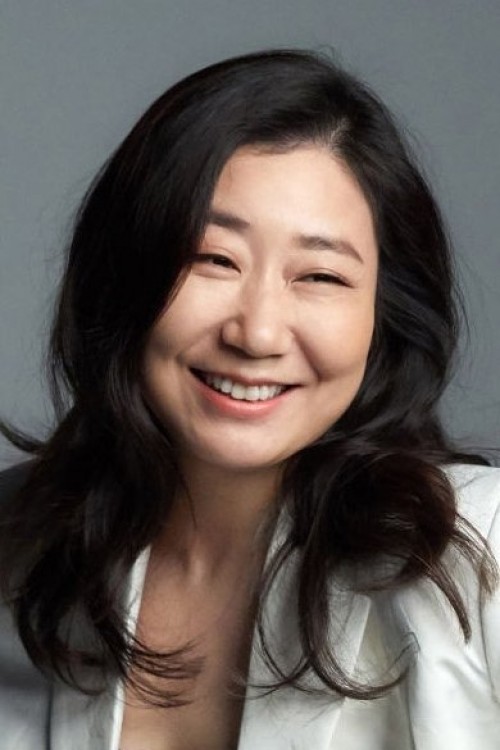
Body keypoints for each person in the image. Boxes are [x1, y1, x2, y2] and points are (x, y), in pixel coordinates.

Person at [0, 48, 499, 750]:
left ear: (383, 317)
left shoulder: (482, 547)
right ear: (123, 274)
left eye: (320, 276)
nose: (257, 333)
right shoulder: (20, 545)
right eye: (213, 259)